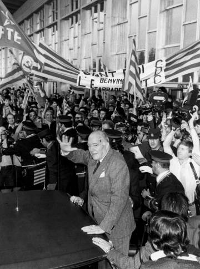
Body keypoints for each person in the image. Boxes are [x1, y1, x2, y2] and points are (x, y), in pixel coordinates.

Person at [58, 130, 135, 257]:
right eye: (89, 145)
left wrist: (104, 227)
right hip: (97, 220)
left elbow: (119, 200)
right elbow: (82, 155)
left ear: (106, 144)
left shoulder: (117, 164)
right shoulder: (95, 156)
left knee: (116, 263)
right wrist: (67, 152)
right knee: (102, 261)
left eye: (95, 145)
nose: (91, 149)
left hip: (116, 227)